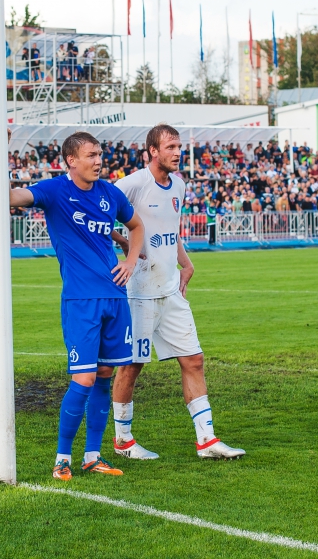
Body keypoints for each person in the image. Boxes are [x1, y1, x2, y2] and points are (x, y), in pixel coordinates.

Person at [7, 131, 145, 481]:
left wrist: (129, 261)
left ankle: (92, 456)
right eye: (90, 155)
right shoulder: (54, 191)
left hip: (115, 298)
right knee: (82, 379)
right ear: (71, 160)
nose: (98, 160)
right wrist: (3, 149)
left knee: (104, 376)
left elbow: (136, 225)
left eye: (100, 154)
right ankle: (62, 459)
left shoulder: (110, 193)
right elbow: (12, 195)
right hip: (80, 301)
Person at [110, 124, 244, 461]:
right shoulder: (133, 184)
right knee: (132, 366)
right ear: (152, 151)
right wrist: (127, 245)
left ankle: (207, 441)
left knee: (194, 360)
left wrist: (186, 263)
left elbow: (172, 229)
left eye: (179, 146)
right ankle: (123, 441)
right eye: (170, 146)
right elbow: (101, 215)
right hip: (140, 293)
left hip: (170, 289)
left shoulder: (179, 185)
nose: (177, 152)